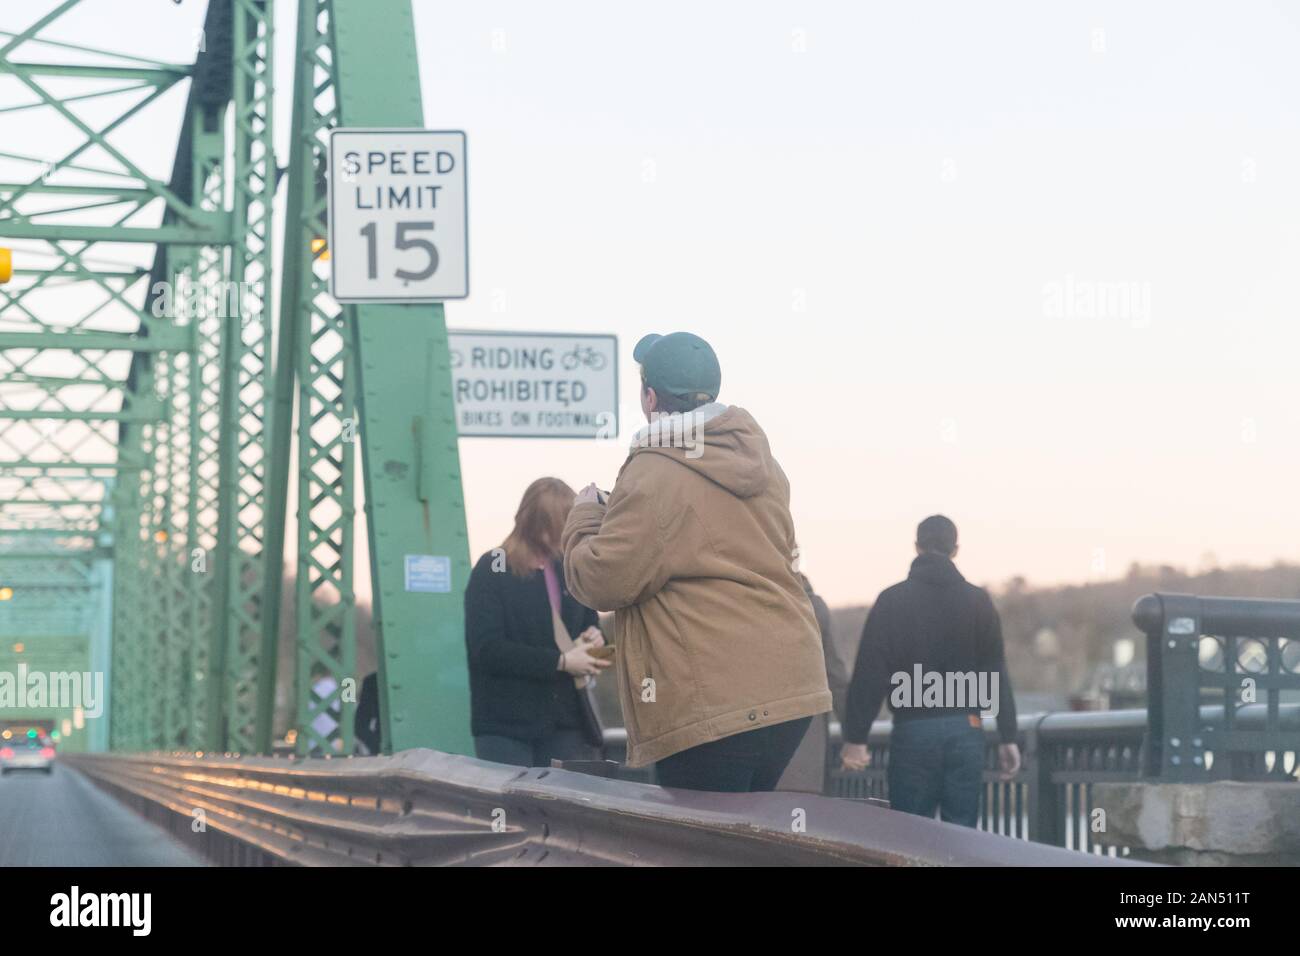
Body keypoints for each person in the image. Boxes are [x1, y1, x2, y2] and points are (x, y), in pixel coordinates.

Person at [562, 331, 831, 793]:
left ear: (650, 397)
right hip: (790, 689)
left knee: (699, 840)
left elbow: (602, 580)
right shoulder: (763, 465)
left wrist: (585, 517)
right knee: (742, 840)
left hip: (715, 702)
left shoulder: (655, 471)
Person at [840, 515, 1021, 827]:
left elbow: (870, 671)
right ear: (956, 549)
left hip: (914, 728)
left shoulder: (892, 600)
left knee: (910, 835)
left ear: (916, 547)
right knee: (962, 837)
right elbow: (995, 670)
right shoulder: (978, 601)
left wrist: (856, 737)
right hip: (967, 725)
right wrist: (1009, 735)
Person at [464, 477, 610, 767]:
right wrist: (560, 662)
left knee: (560, 811)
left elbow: (589, 621)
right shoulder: (492, 569)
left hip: (565, 722)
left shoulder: (569, 569)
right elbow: (486, 649)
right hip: (507, 727)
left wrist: (595, 638)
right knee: (513, 809)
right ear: (533, 522)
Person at [775, 572, 851, 793]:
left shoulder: (745, 604)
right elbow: (836, 676)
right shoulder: (814, 608)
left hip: (751, 742)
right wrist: (852, 734)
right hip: (807, 743)